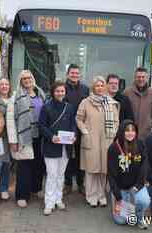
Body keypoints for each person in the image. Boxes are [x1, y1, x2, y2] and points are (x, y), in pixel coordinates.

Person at [76, 76, 119, 207]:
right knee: (91, 170)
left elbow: (117, 121)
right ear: (93, 88)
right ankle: (91, 196)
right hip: (91, 140)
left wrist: (114, 133)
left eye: (102, 85)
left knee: (103, 170)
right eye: (97, 86)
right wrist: (85, 132)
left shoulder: (111, 103)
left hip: (107, 141)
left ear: (104, 87)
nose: (99, 88)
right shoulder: (86, 102)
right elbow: (79, 119)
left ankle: (101, 195)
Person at [7, 70, 46, 208]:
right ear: (21, 81)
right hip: (24, 137)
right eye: (24, 79)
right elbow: (10, 120)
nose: (27, 80)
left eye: (29, 78)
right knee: (24, 167)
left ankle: (35, 189)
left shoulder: (41, 94)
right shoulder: (15, 97)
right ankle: (22, 195)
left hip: (40, 136)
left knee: (38, 165)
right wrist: (13, 140)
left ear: (33, 79)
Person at [39, 81, 77, 215]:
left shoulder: (70, 107)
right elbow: (41, 126)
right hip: (51, 147)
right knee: (51, 175)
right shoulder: (46, 107)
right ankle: (49, 203)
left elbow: (73, 124)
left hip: (65, 147)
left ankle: (58, 199)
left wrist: (74, 135)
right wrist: (51, 137)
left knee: (61, 175)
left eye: (62, 91)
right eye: (57, 91)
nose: (60, 93)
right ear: (53, 92)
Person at [108, 120, 150, 229]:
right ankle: (119, 204)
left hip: (136, 186)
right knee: (122, 221)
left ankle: (140, 217)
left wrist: (138, 186)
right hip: (120, 188)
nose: (130, 133)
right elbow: (111, 174)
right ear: (121, 131)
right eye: (127, 130)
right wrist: (117, 195)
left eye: (133, 130)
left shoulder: (140, 144)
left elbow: (144, 167)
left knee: (144, 200)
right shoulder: (113, 148)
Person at [63, 64, 89, 195]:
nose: (75, 75)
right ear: (68, 74)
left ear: (80, 75)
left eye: (77, 73)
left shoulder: (85, 89)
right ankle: (67, 184)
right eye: (72, 73)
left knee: (81, 157)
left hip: (81, 128)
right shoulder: (62, 88)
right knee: (67, 156)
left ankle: (80, 183)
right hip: (66, 129)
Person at [124, 67, 152, 140]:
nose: (141, 79)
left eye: (143, 77)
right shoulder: (127, 92)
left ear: (147, 78)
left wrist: (151, 122)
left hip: (146, 134)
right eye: (138, 77)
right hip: (130, 133)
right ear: (135, 78)